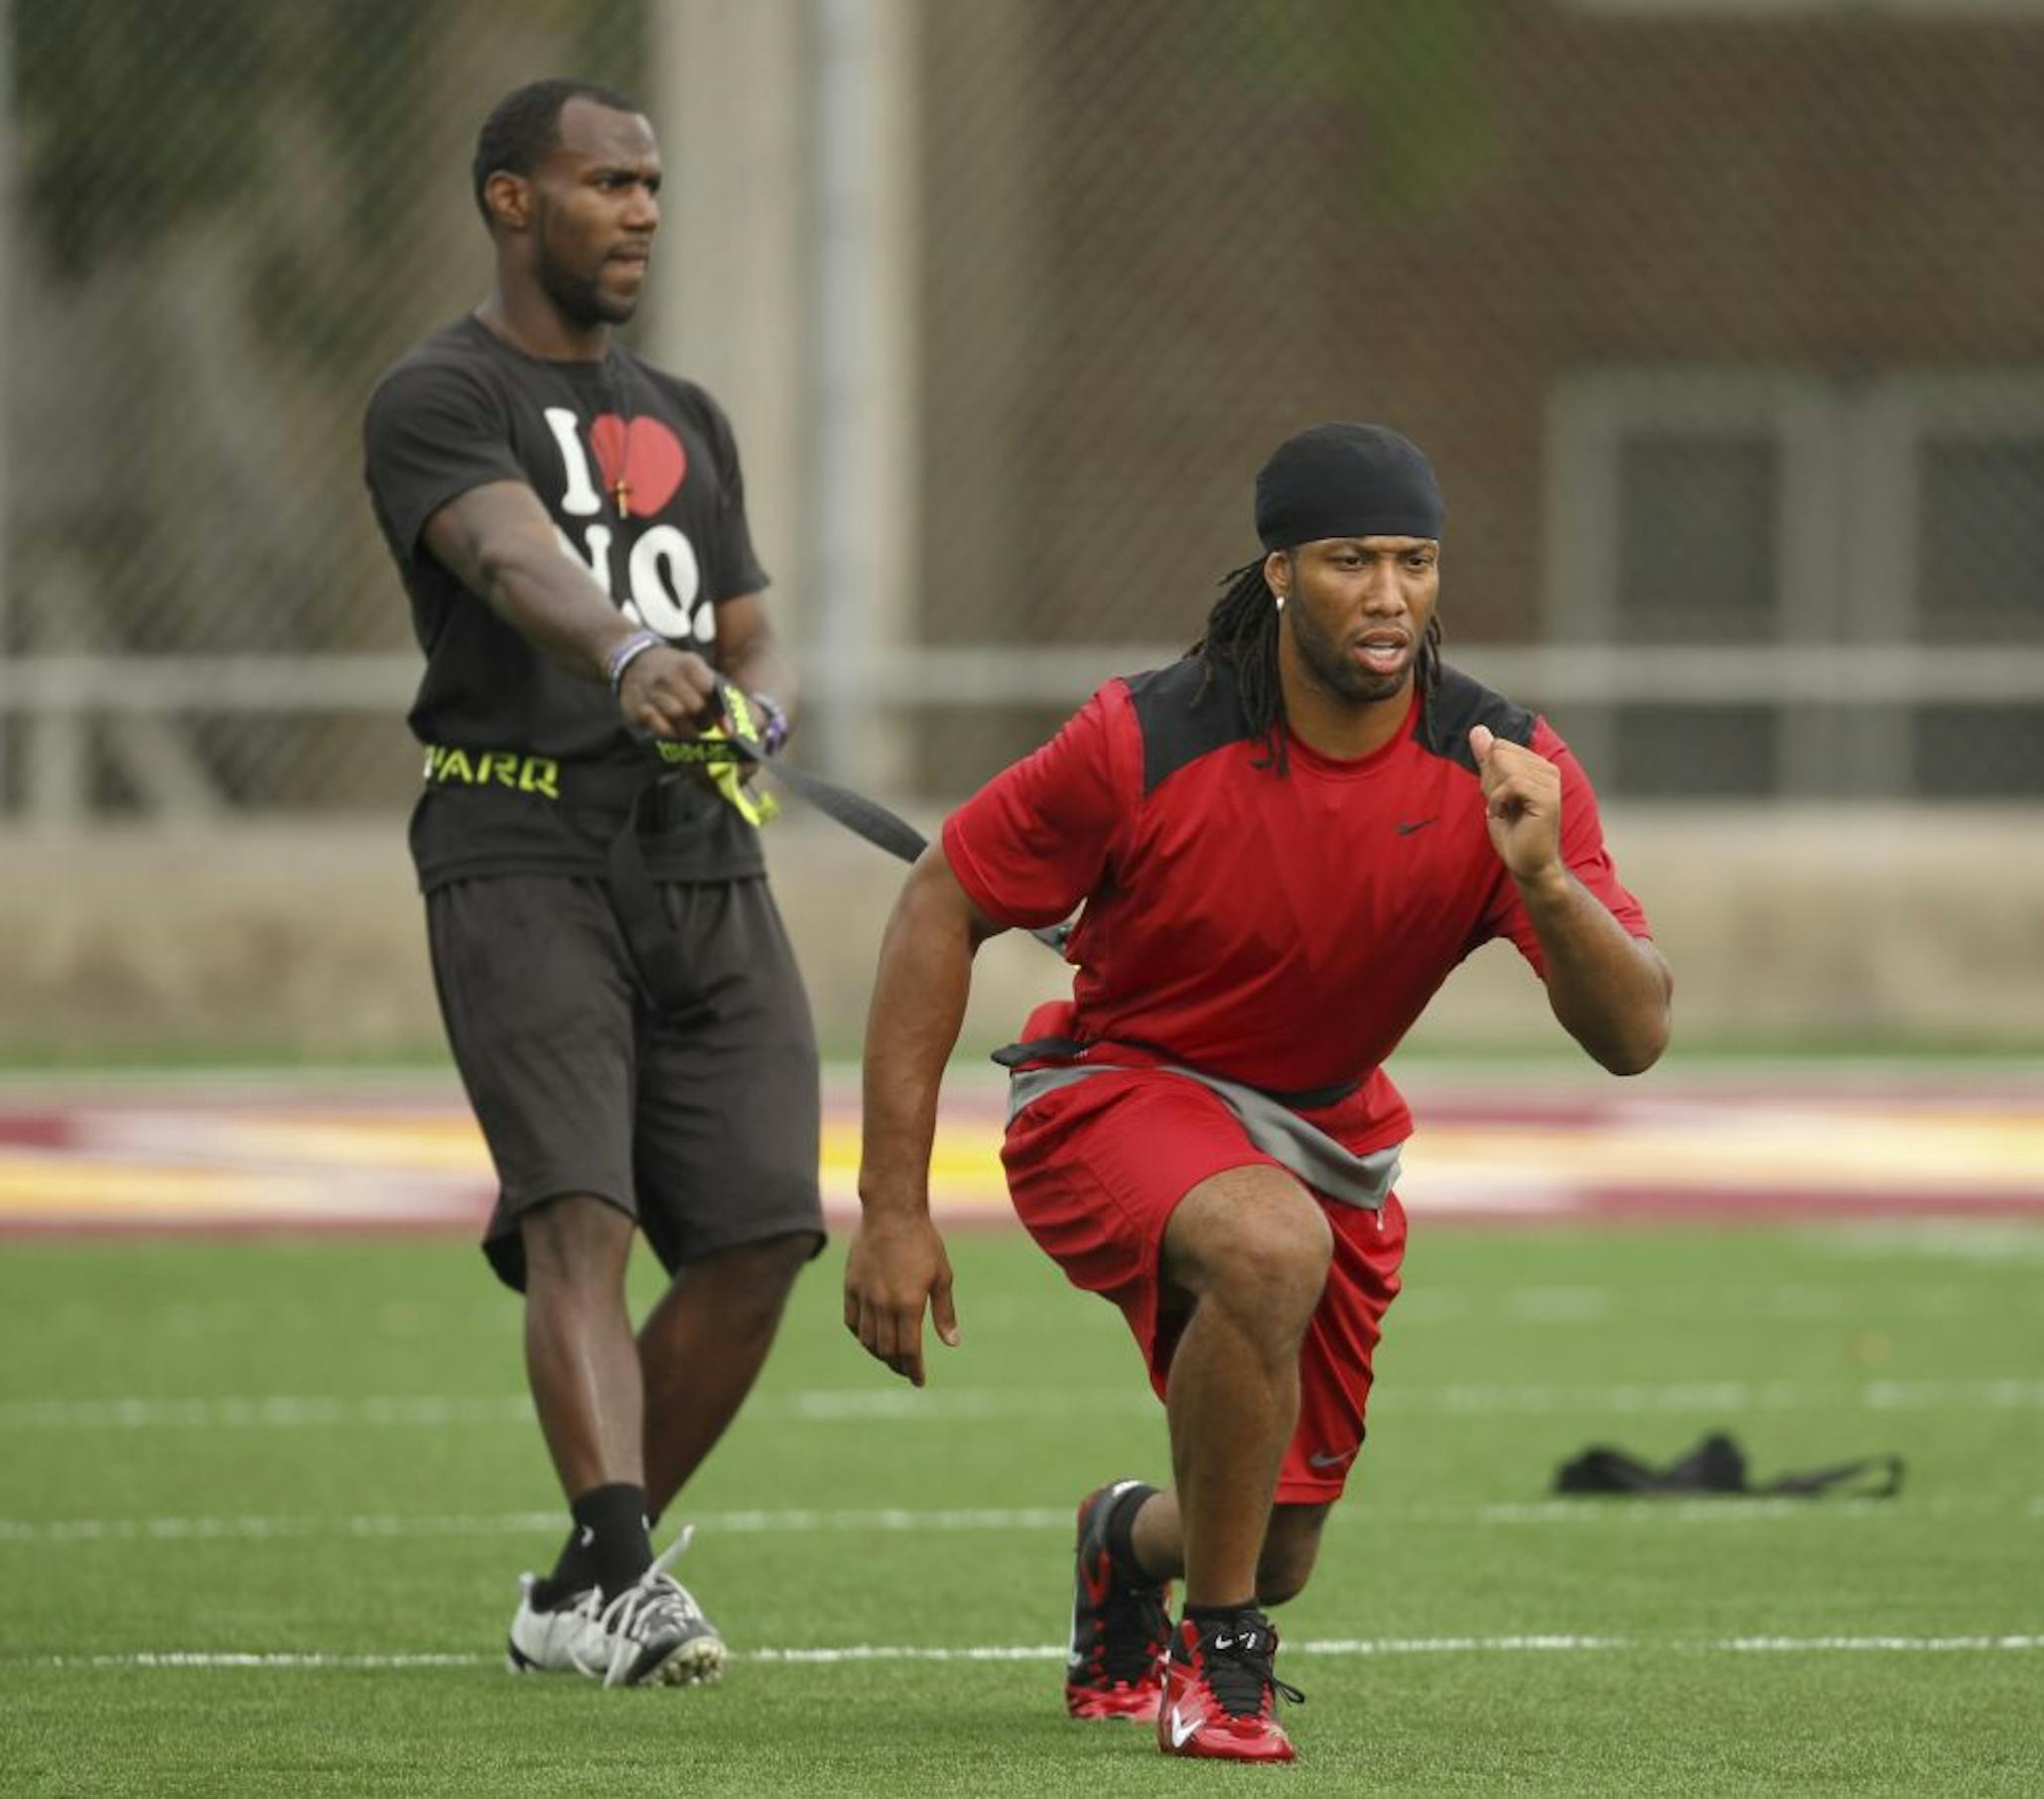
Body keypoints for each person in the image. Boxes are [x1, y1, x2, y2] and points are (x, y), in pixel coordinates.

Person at [842, 422, 1672, 1763]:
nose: (1390, 595)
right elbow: (941, 899)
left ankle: (1134, 1541)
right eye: (1351, 560)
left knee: (1277, 1540)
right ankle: (1220, 1667)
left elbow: (1635, 1035)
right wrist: (892, 1206)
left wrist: (1548, 884)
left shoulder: (1504, 767)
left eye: (1414, 561)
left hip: (1326, 1132)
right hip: (1114, 1090)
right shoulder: (1144, 735)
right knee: (1265, 1242)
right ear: (1281, 573)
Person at [361, 77, 823, 1689]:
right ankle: (627, 1569)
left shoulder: (687, 409)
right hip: (518, 843)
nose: (638, 211)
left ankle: (578, 1585)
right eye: (605, 183)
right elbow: (506, 557)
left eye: (650, 186)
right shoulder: (438, 393)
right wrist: (628, 650)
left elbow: (749, 619)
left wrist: (754, 699)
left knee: (765, 1229)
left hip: (702, 856)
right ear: (510, 200)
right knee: (582, 1214)